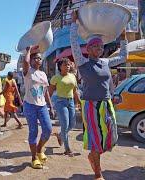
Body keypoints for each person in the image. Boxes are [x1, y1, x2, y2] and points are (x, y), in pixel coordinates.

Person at [71, 11, 127, 180]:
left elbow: (124, 56)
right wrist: (74, 24)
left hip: (106, 104)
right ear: (88, 48)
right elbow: (73, 42)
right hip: (90, 106)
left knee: (109, 138)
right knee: (96, 140)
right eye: (95, 46)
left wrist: (123, 38)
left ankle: (93, 158)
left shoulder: (106, 62)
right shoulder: (82, 62)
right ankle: (98, 173)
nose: (99, 49)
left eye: (101, 46)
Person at [23, 47, 54, 169]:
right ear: (31, 60)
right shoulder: (28, 72)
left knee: (48, 129)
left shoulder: (43, 74)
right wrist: (29, 51)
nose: (38, 60)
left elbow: (45, 92)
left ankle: (39, 149)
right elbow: (25, 62)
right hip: (29, 105)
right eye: (36, 58)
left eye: (40, 58)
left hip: (42, 106)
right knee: (33, 131)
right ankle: (34, 158)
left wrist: (50, 106)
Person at [48, 58, 80, 156]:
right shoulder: (56, 78)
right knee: (65, 125)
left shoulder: (73, 76)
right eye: (65, 65)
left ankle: (60, 135)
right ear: (60, 67)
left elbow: (75, 91)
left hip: (70, 102)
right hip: (60, 102)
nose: (67, 66)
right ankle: (67, 149)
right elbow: (49, 92)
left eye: (69, 65)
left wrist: (79, 103)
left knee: (72, 124)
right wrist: (49, 106)